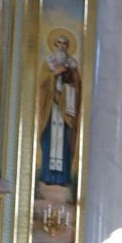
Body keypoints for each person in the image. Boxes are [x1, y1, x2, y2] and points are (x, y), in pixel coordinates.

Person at [38, 31, 80, 194]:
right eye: (59, 43)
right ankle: (47, 175)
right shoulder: (48, 62)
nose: (62, 46)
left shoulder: (73, 64)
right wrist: (54, 74)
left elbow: (78, 86)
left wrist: (69, 83)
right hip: (51, 106)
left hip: (66, 111)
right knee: (49, 139)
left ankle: (63, 178)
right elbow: (42, 82)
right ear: (54, 45)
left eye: (65, 44)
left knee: (65, 142)